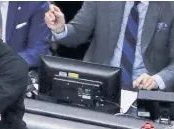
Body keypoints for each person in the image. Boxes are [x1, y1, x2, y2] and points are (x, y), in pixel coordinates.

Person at [45, 1, 174, 109]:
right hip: (100, 85)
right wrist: (60, 29)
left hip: (147, 92)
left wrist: (157, 79)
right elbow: (78, 32)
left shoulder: (170, 6)